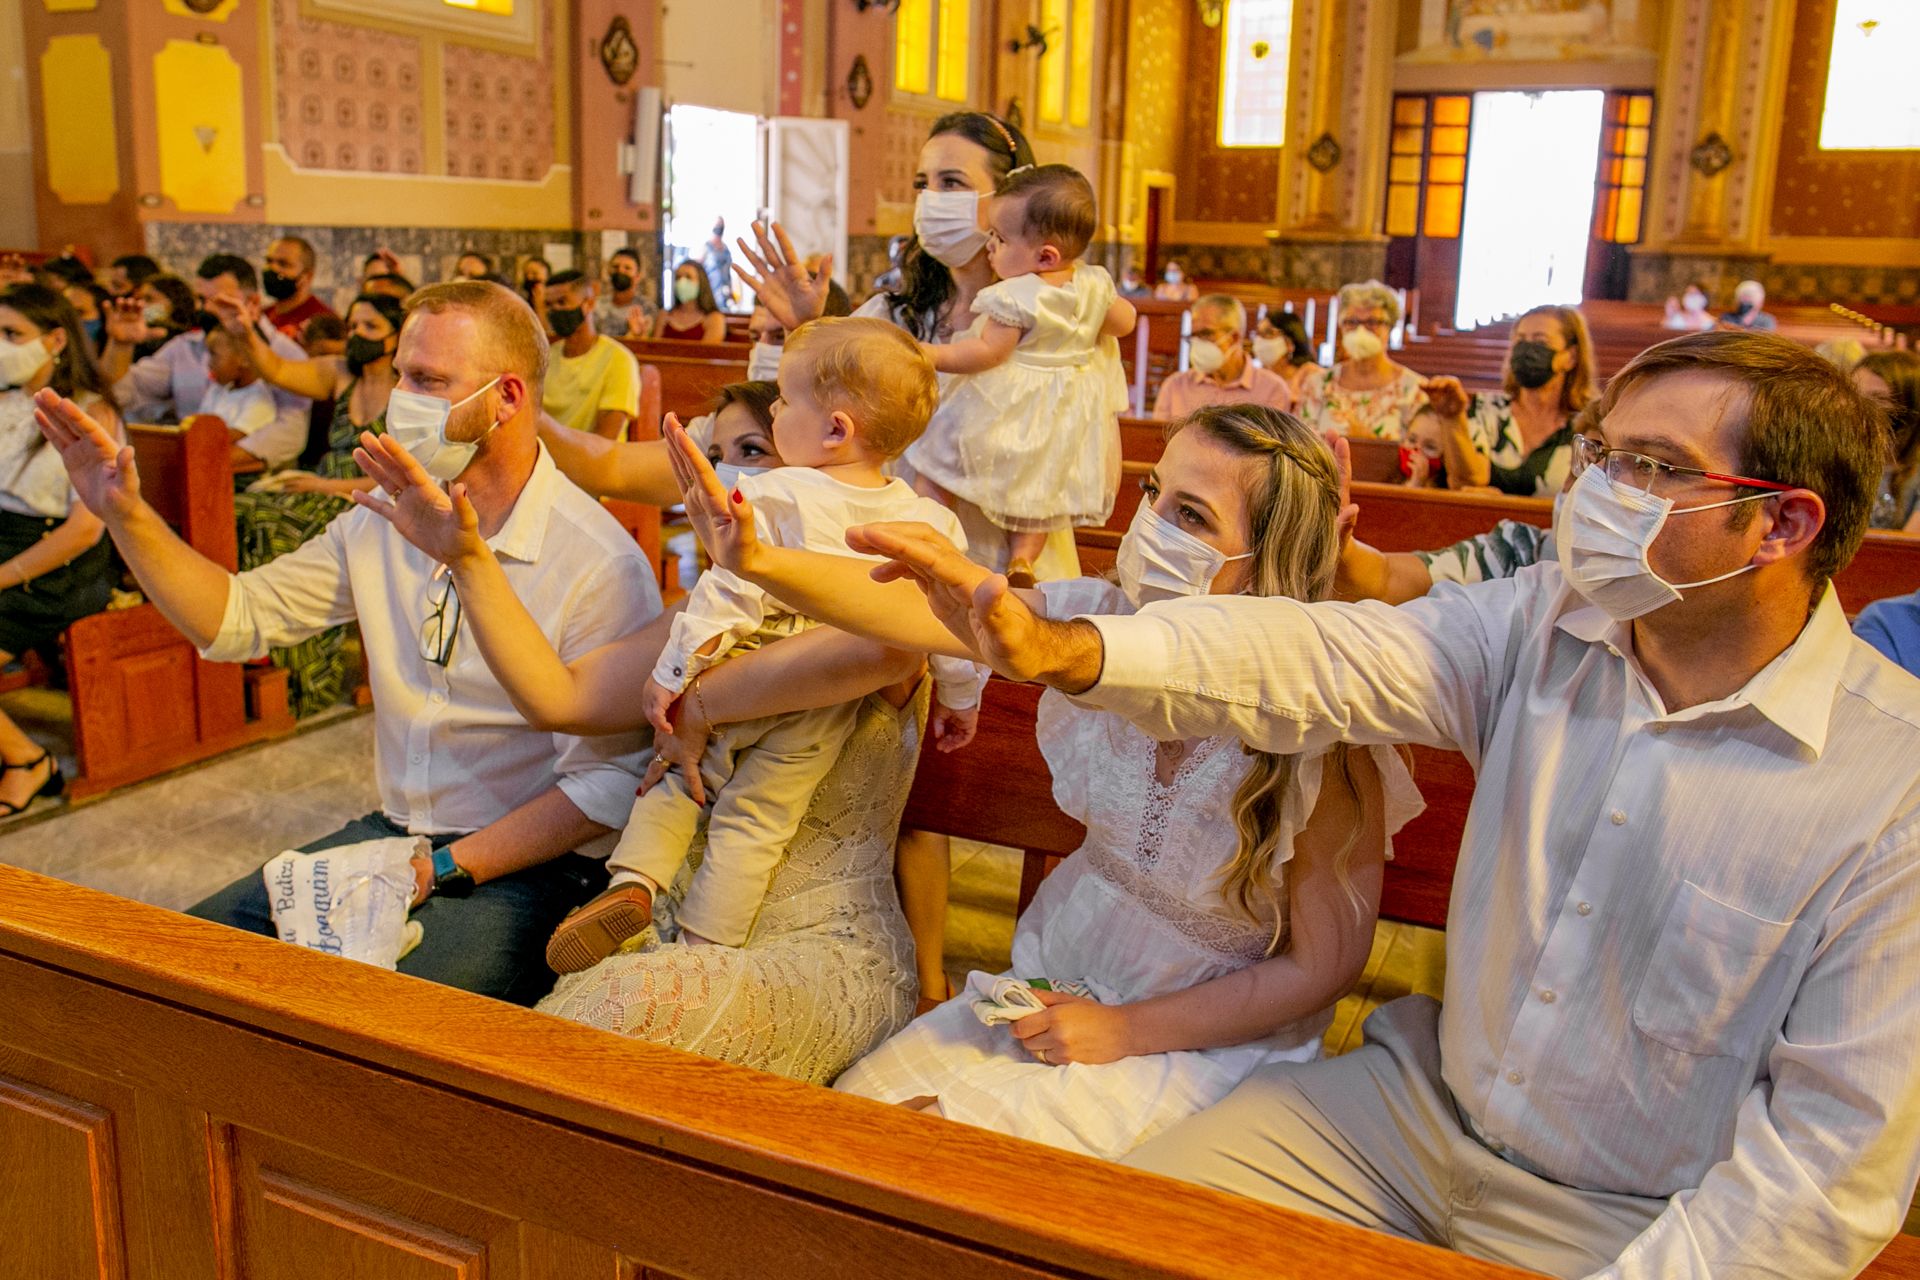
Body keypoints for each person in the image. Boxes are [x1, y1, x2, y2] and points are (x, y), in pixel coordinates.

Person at [869, 328, 1920, 1280]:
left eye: (1651, 466)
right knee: (1105, 1236)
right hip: (1413, 1115)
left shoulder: (1892, 786)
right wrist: (1067, 650)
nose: (1597, 491)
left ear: (1781, 521)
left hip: (1634, 1206)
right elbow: (1322, 659)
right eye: (1601, 453)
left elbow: (1827, 1161)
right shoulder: (1542, 620)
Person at [673, 404, 1418, 1159]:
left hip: (1208, 1034)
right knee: (862, 1123)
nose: (1150, 526)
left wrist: (1123, 1030)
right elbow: (924, 608)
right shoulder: (1102, 626)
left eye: (1190, 515)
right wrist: (760, 560)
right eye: (1153, 493)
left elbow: (1323, 967)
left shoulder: (1317, 735)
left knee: (951, 1165)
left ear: (1268, 561)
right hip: (1062, 973)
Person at [35, 281, 657, 1005]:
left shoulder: (597, 560)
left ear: (506, 397)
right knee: (180, 969)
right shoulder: (386, 520)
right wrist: (125, 515)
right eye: (399, 375)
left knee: (360, 1022)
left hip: (532, 866)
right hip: (399, 835)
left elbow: (604, 788)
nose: (400, 399)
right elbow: (236, 618)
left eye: (427, 380)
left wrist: (441, 868)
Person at [527, 317, 982, 971]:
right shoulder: (931, 523)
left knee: (675, 781)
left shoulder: (770, 492)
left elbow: (726, 594)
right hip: (822, 705)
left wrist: (674, 674)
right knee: (760, 818)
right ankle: (707, 944)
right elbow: (952, 626)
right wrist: (960, 701)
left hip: (745, 661)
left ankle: (634, 883)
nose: (776, 415)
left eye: (786, 403)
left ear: (836, 429)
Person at [907, 164, 1133, 587]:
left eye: (1000, 238)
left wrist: (931, 353)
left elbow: (987, 352)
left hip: (1007, 402)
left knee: (940, 458)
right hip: (1063, 411)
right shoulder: (1093, 283)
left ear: (1045, 256)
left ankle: (926, 524)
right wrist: (1090, 314)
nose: (990, 245)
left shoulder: (1014, 295)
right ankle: (1022, 561)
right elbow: (1125, 321)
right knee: (1038, 497)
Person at [212, 291, 407, 716]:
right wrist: (245, 332)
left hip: (368, 495)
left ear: (396, 336)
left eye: (370, 327)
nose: (357, 334)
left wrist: (325, 487)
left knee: (273, 523)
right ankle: (246, 651)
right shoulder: (339, 372)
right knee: (236, 509)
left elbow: (403, 475)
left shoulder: (408, 388)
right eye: (352, 325)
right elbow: (276, 368)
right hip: (321, 485)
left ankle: (304, 675)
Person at [0, 285, 123, 817]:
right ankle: (23, 755)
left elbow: (84, 531)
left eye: (12, 334)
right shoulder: (6, 400)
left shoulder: (91, 412)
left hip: (60, 566)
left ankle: (26, 761)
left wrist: (3, 575)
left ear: (55, 340)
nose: (1, 345)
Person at [101, 254, 312, 464]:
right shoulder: (185, 347)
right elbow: (120, 397)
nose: (208, 309)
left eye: (220, 302)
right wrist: (120, 346)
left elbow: (289, 434)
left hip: (246, 472)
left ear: (253, 303)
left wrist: (203, 463)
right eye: (202, 300)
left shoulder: (286, 355)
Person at [1417, 305, 1596, 497]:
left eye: (1540, 341)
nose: (1526, 350)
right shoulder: (1486, 409)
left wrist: (1507, 505)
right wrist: (1452, 418)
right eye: (1520, 340)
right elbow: (1468, 481)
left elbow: (1587, 501)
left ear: (1571, 357)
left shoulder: (1586, 428)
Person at [1296, 281, 1425, 441]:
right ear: (1341, 326)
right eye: (1352, 322)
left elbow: (1420, 450)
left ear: (1390, 327)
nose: (1360, 330)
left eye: (1372, 322)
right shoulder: (1318, 385)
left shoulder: (1414, 390)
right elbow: (1299, 444)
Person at [1153, 294, 1293, 422]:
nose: (1198, 342)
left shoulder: (1272, 389)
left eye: (1206, 334)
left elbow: (1272, 441)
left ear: (1234, 338)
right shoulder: (1174, 387)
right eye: (1194, 336)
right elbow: (1158, 439)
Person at [540, 270, 641, 439]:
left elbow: (605, 440)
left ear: (589, 304)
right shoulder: (545, 357)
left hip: (592, 454)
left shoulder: (618, 360)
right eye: (549, 305)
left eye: (562, 302)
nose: (555, 310)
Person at [199, 326, 282, 466]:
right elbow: (198, 424)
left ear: (244, 359)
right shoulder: (217, 389)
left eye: (214, 355)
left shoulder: (259, 399)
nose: (209, 363)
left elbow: (232, 437)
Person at [1857, 349, 1920, 530]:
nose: (1859, 408)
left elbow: (1909, 544)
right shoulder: (1830, 459)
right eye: (1854, 394)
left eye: (1878, 399)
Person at [261, 236, 337, 343]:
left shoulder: (324, 322)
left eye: (283, 264)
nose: (273, 268)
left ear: (307, 276)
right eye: (269, 261)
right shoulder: (262, 317)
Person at [652, 261, 726, 342]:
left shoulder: (714, 319)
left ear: (701, 282)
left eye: (688, 277)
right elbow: (655, 346)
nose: (682, 282)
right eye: (678, 277)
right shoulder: (664, 315)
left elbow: (708, 349)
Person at [128, 274, 197, 361]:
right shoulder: (135, 336)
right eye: (138, 299)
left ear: (175, 302)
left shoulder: (186, 342)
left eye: (149, 299)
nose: (140, 305)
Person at [593, 248, 650, 338]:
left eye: (627, 268)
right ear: (609, 272)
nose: (620, 271)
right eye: (616, 267)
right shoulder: (596, 305)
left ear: (638, 276)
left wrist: (636, 334)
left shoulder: (646, 308)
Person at [701, 219, 736, 310]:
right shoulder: (707, 247)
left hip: (724, 293)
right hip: (710, 291)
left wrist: (730, 290)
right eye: (717, 224)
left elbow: (728, 272)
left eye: (721, 224)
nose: (719, 227)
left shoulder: (726, 249)